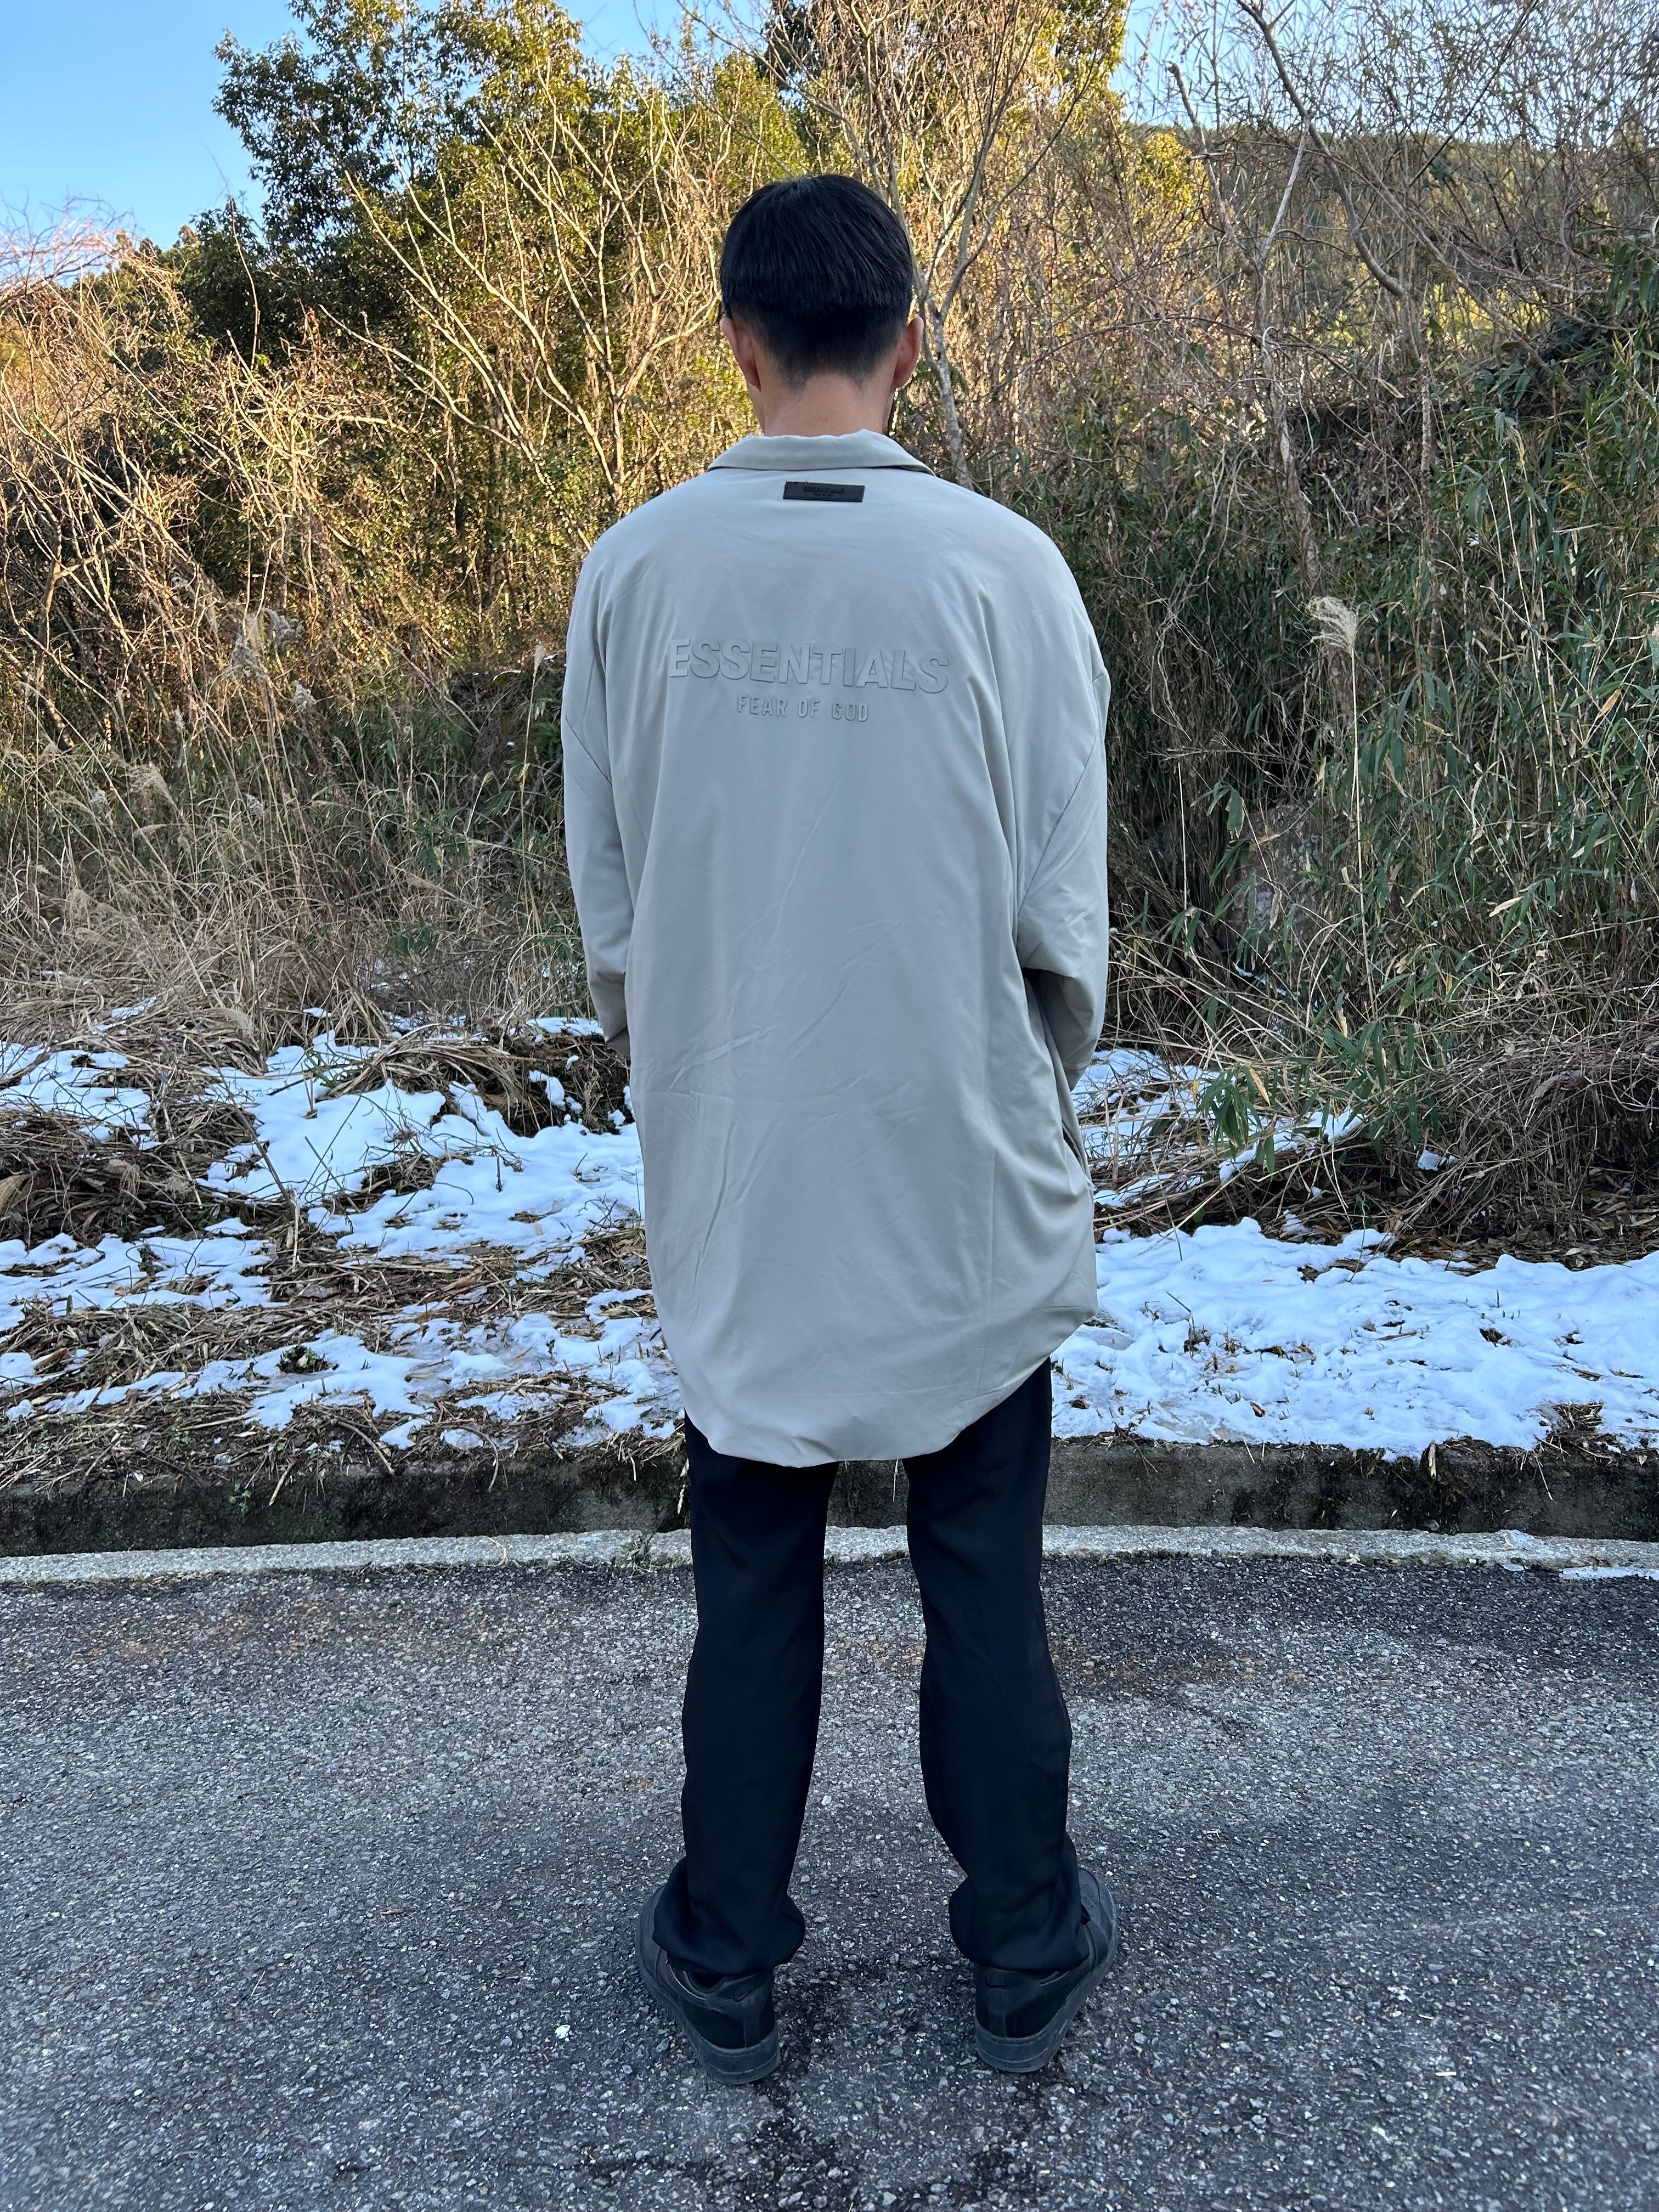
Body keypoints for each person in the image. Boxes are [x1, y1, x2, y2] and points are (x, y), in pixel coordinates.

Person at [561, 173, 1115, 2083]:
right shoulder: (1010, 570)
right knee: (982, 1561)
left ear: (739, 337)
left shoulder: (634, 571)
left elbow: (616, 918)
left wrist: (692, 1065)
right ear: (911, 342)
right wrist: (1022, 1082)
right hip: (954, 1147)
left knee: (751, 1562)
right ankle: (1024, 1939)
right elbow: (1063, 920)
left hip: (739, 1152)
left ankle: (725, 1947)